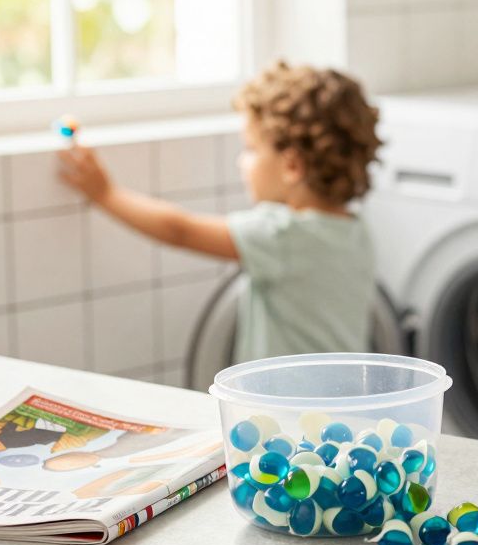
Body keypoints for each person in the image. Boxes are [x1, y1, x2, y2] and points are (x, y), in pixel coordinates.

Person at [60, 62, 382, 363]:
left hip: (286, 401)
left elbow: (179, 230)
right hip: (344, 395)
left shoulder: (281, 235)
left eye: (251, 149)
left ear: (292, 166)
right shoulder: (357, 230)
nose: (242, 162)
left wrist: (105, 194)